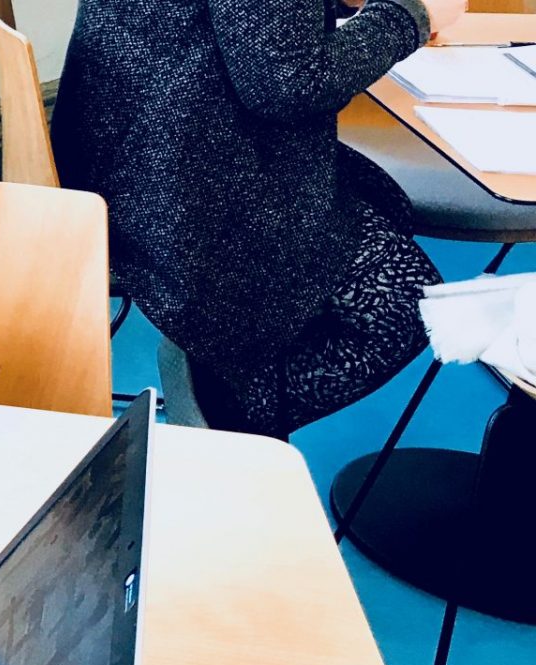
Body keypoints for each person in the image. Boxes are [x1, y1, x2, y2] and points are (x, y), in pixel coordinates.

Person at [50, 0, 466, 438]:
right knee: (400, 304)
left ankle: (224, 368)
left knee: (376, 204)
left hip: (127, 133)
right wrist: (410, 18)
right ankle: (232, 407)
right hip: (167, 174)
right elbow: (288, 83)